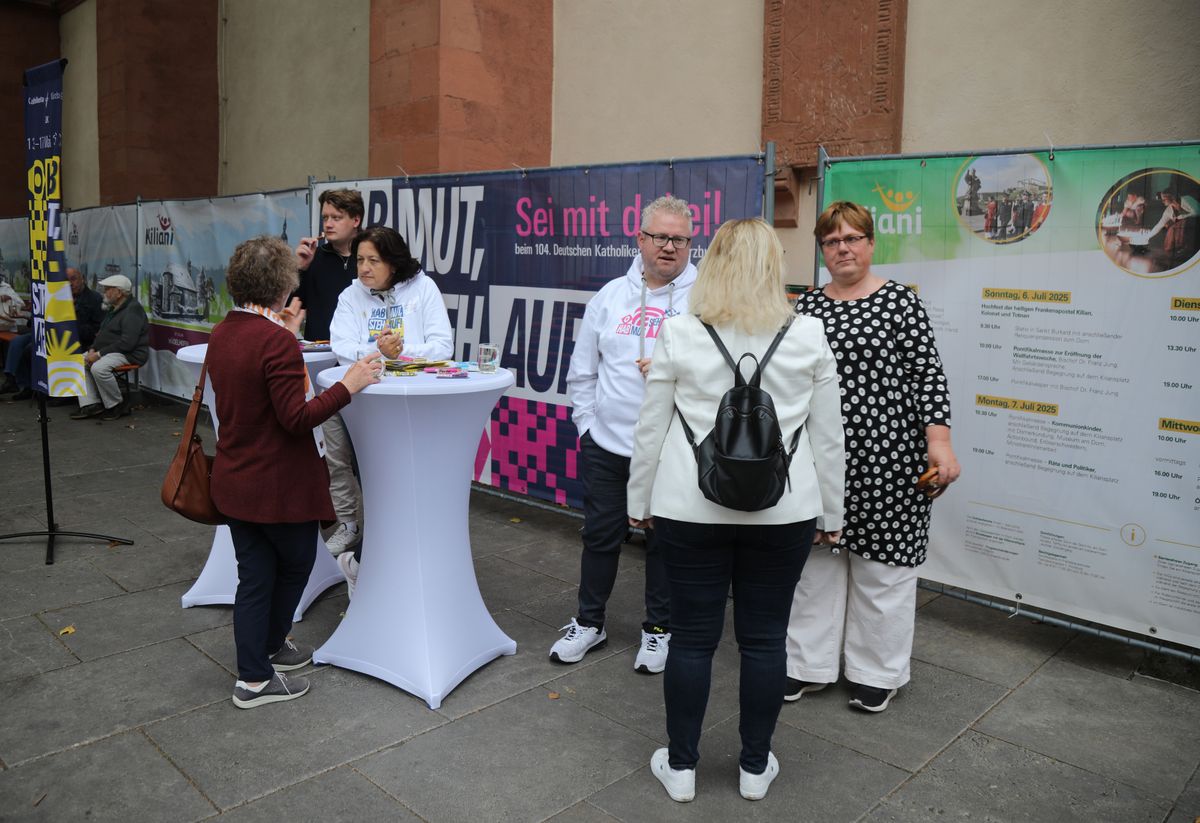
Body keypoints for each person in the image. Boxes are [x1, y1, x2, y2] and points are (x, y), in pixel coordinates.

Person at [627, 217, 845, 802]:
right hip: (785, 510)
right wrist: (833, 515)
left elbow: (651, 428)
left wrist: (637, 502)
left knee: (693, 639)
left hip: (687, 506)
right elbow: (828, 437)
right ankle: (754, 768)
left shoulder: (679, 331)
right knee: (766, 640)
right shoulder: (809, 335)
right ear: (774, 266)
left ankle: (681, 768)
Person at [785, 200, 961, 714]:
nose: (843, 249)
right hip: (820, 459)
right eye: (832, 241)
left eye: (852, 238)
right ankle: (806, 664)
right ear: (822, 250)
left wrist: (940, 442)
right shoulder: (808, 307)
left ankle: (875, 672)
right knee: (813, 566)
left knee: (883, 569)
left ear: (870, 243)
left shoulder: (900, 303)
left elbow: (928, 375)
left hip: (890, 459)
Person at [208, 235, 382, 708]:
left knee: (256, 576)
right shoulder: (275, 342)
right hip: (277, 488)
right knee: (291, 569)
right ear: (284, 285)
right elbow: (296, 418)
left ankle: (261, 660)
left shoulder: (225, 331)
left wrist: (284, 331)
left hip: (236, 480)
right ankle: (257, 675)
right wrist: (350, 384)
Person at [552, 195, 698, 675]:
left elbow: (718, 375)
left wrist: (674, 370)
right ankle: (588, 623)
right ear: (640, 239)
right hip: (608, 444)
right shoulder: (611, 296)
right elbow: (582, 370)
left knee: (665, 541)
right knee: (599, 536)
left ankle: (658, 631)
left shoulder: (705, 299)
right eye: (661, 237)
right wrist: (587, 427)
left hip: (673, 447)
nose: (670, 247)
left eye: (680, 239)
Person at [329, 225, 453, 596]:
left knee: (411, 491)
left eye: (373, 261)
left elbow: (443, 346)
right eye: (360, 260)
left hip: (416, 406)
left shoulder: (423, 289)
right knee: (385, 490)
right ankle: (371, 570)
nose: (364, 269)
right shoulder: (351, 296)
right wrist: (378, 352)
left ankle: (364, 565)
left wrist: (404, 350)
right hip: (368, 407)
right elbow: (341, 346)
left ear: (394, 264)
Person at [295, 189, 367, 556]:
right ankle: (348, 523)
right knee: (334, 452)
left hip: (365, 366)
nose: (327, 223)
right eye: (325, 216)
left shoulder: (370, 255)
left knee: (367, 454)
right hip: (323, 364)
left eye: (335, 216)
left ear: (355, 220)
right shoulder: (315, 258)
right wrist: (300, 269)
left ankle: (377, 526)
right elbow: (293, 303)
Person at [1, 267, 103, 402]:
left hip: (74, 338)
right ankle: (16, 381)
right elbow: (38, 318)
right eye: (66, 280)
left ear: (82, 279)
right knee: (17, 342)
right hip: (48, 332)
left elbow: (95, 329)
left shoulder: (94, 299)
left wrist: (69, 318)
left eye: (74, 279)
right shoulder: (57, 295)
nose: (70, 284)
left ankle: (45, 389)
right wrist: (32, 316)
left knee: (31, 349)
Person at [69, 274, 148, 421]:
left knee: (99, 368)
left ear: (119, 292)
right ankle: (91, 404)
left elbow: (128, 343)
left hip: (130, 353)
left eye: (108, 289)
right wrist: (93, 349)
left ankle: (116, 405)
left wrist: (98, 354)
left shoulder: (132, 310)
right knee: (77, 362)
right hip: (113, 351)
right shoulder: (115, 308)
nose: (104, 292)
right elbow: (103, 334)